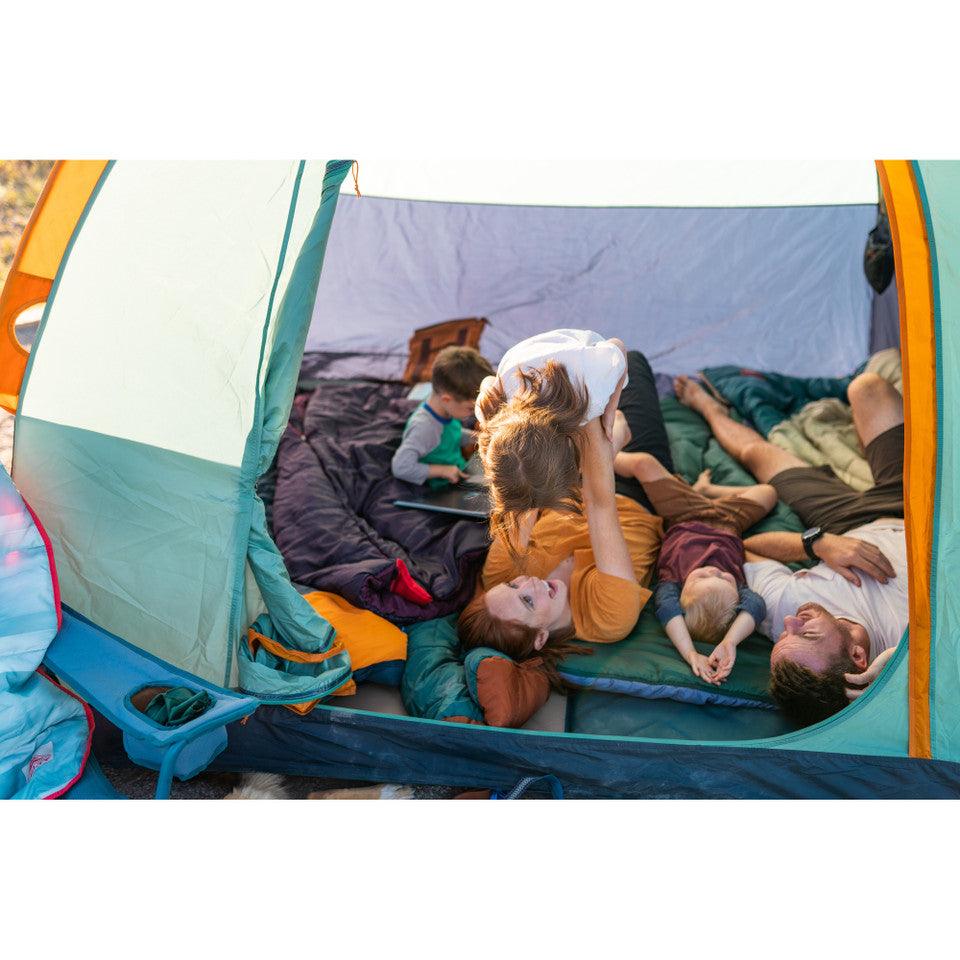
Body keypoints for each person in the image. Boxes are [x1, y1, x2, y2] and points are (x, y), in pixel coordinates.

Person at [673, 370, 907, 723]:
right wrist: (906, 660)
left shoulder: (788, 610)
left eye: (785, 632)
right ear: (859, 657)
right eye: (806, 633)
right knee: (869, 388)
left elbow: (748, 548)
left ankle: (706, 405)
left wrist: (816, 545)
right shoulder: (907, 637)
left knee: (758, 453)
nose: (790, 621)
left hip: (844, 524)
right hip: (915, 510)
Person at [458, 351, 672, 685]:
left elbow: (525, 495)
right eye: (527, 600)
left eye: (512, 585)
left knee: (593, 368)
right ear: (540, 638)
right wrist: (607, 433)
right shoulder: (607, 620)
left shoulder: (499, 575)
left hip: (568, 480)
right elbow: (600, 503)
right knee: (631, 363)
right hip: (631, 495)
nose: (526, 582)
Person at [613, 451, 776, 684]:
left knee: (643, 463)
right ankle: (708, 490)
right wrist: (730, 641)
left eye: (702, 578)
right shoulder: (739, 591)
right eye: (725, 578)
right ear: (740, 594)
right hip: (729, 520)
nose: (714, 571)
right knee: (769, 492)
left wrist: (690, 653)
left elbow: (668, 611)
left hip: (684, 513)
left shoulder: (673, 582)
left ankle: (598, 456)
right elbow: (756, 606)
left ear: (680, 595)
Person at [474, 329, 628, 547]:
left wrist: (612, 405)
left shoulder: (592, 393)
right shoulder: (493, 405)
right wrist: (485, 391)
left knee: (602, 439)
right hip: (521, 360)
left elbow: (617, 344)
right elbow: (487, 381)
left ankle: (618, 425)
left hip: (583, 359)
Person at [391, 346, 494, 487]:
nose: (474, 413)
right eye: (471, 408)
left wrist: (476, 437)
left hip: (460, 470)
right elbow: (400, 467)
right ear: (446, 399)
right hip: (442, 487)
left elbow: (449, 435)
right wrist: (442, 471)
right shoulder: (424, 428)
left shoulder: (445, 409)